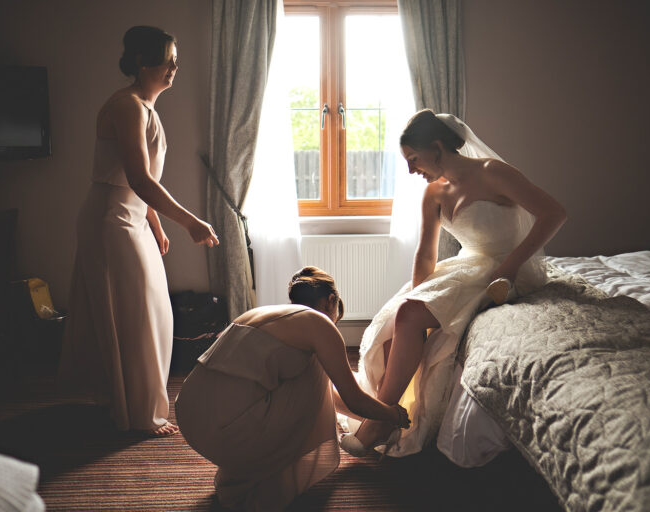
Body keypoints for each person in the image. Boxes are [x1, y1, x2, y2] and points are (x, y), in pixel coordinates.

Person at [340, 110, 567, 459]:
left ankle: (379, 420)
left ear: (436, 147)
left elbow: (554, 213)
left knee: (412, 316)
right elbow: (425, 257)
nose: (411, 169)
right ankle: (390, 408)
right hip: (468, 265)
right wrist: (416, 297)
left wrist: (507, 269)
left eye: (413, 159)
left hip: (507, 270)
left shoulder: (493, 173)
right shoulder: (433, 193)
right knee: (396, 320)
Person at [58, 26, 219, 437]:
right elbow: (138, 178)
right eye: (168, 60)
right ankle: (138, 414)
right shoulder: (128, 105)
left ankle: (127, 402)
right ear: (144, 64)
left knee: (145, 312)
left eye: (176, 60)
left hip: (130, 216)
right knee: (135, 315)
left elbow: (142, 183)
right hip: (110, 219)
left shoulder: (147, 107)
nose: (174, 68)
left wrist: (155, 222)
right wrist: (189, 223)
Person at [175, 266, 411, 511]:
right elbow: (351, 397)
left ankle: (246, 465)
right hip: (226, 431)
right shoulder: (319, 324)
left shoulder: (265, 313)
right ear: (332, 300)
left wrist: (369, 417)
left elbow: (324, 394)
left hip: (190, 419)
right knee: (318, 364)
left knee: (313, 369)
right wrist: (393, 415)